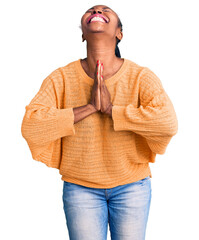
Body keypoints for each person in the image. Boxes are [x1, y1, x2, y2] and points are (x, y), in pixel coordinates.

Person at [21, 4, 178, 240]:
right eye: (91, 10)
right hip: (80, 188)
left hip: (132, 187)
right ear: (83, 33)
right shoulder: (61, 77)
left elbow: (167, 122)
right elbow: (31, 125)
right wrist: (90, 108)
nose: (97, 11)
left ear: (119, 33)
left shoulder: (141, 76)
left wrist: (112, 110)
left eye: (106, 11)